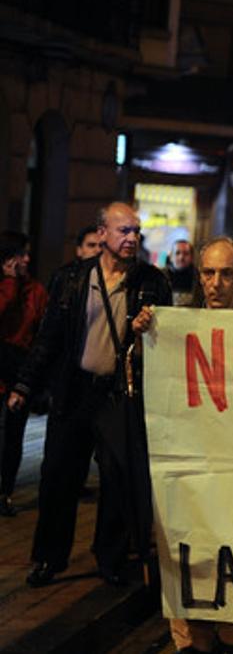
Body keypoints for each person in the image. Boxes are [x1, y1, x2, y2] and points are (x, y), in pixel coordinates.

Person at [8, 202, 172, 587]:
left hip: (119, 393)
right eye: (123, 231)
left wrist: (150, 328)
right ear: (102, 234)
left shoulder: (152, 282)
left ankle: (110, 557)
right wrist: (24, 386)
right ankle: (50, 558)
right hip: (74, 390)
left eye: (135, 231)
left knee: (116, 479)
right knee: (58, 477)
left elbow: (167, 344)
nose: (131, 238)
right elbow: (48, 339)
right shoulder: (70, 279)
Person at [169, 236, 233, 652]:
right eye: (207, 273)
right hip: (188, 465)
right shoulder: (174, 328)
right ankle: (189, 640)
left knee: (231, 556)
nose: (215, 283)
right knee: (187, 555)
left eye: (225, 274)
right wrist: (147, 333)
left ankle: (231, 632)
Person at [0, 232, 49, 516]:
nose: (27, 259)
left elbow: (41, 334)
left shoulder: (36, 291)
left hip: (20, 374)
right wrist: (9, 283)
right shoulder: (7, 286)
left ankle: (5, 491)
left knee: (13, 435)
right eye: (22, 254)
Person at [165, 239, 195, 305]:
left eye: (186, 254)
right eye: (177, 253)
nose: (181, 257)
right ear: (171, 256)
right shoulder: (161, 277)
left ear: (192, 257)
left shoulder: (199, 278)